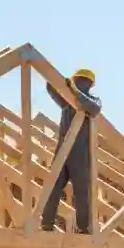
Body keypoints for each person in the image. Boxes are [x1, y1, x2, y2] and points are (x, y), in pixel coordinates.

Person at [40, 68, 102, 234]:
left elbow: (93, 108)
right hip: (68, 152)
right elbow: (50, 86)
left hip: (78, 153)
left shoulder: (92, 101)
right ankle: (47, 224)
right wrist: (61, 82)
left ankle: (83, 228)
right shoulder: (67, 100)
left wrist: (72, 89)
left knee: (80, 192)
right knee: (55, 188)